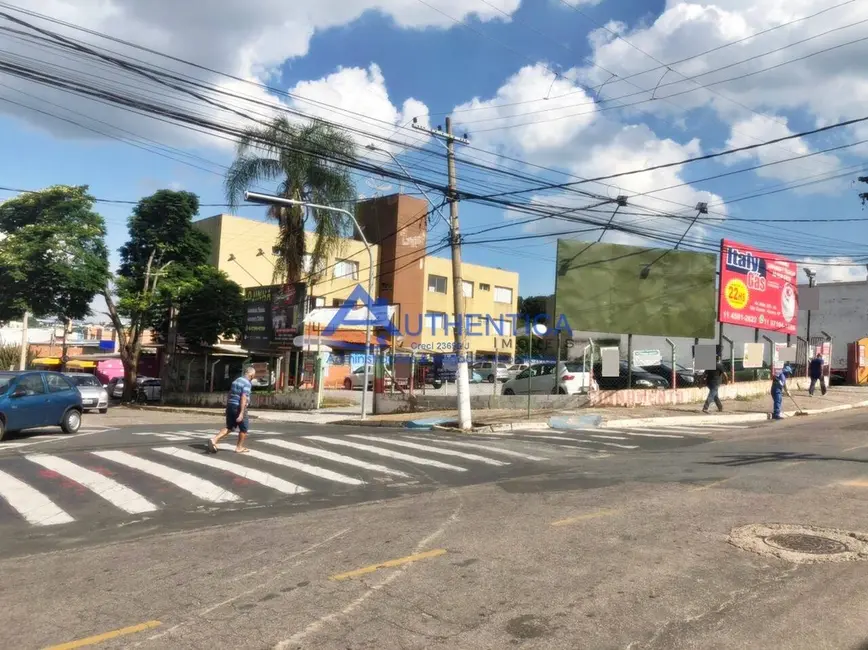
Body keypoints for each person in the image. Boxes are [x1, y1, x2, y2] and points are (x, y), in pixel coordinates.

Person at [207, 366, 256, 454]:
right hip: (238, 407)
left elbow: (230, 393)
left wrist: (227, 407)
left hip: (230, 405)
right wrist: (241, 413)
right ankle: (239, 447)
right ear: (251, 374)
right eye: (254, 375)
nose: (253, 377)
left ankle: (214, 439)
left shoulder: (235, 381)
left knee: (230, 427)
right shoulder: (247, 383)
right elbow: (243, 397)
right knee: (244, 428)